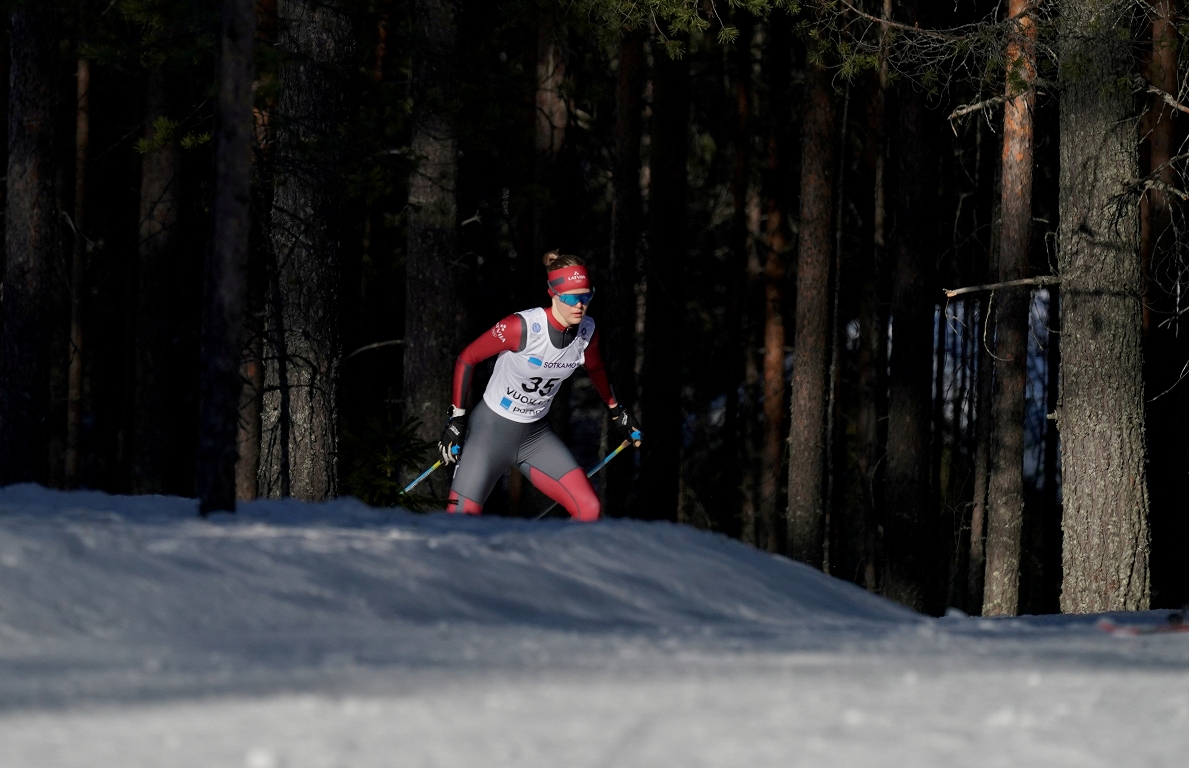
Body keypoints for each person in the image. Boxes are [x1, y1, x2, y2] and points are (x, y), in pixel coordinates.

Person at [437, 251, 642, 521]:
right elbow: (467, 358)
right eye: (570, 297)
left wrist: (617, 412)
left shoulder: (587, 332)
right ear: (553, 293)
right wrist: (457, 420)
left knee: (589, 509)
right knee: (459, 521)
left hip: (535, 436)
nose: (579, 305)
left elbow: (596, 368)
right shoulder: (521, 327)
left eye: (586, 296)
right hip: (490, 432)